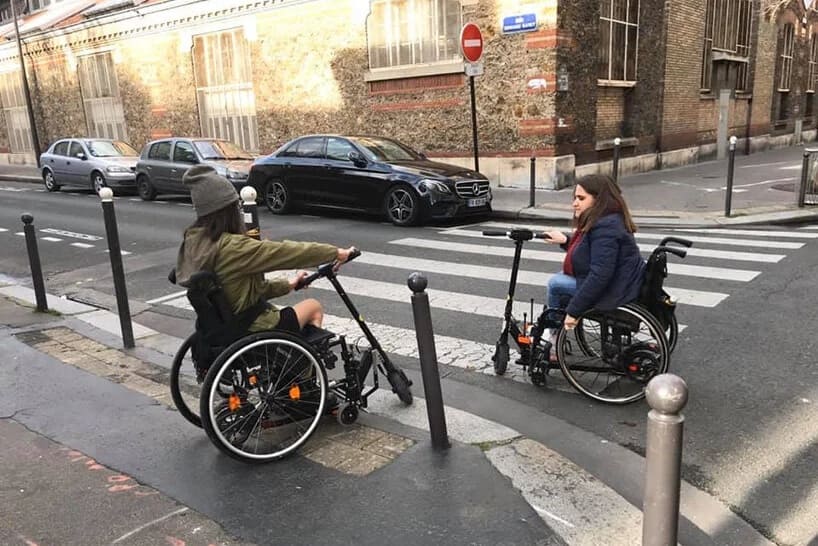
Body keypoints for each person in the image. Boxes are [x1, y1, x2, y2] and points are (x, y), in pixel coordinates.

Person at [175, 165, 355, 334]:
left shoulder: (196, 242)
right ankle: (302, 357)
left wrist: (289, 285)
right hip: (252, 325)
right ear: (228, 211)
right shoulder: (233, 248)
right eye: (237, 206)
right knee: (313, 307)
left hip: (225, 327)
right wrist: (336, 253)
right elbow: (287, 253)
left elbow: (249, 290)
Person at [542, 174, 645, 334]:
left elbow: (600, 274)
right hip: (621, 281)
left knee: (555, 284)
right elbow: (590, 253)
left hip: (614, 289)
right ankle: (556, 327)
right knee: (562, 277)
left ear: (599, 200)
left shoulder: (605, 228)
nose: (575, 203)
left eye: (581, 198)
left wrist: (574, 311)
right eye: (575, 198)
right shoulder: (608, 219)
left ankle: (553, 335)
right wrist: (565, 241)